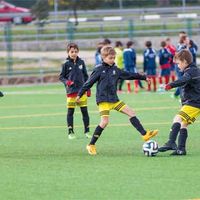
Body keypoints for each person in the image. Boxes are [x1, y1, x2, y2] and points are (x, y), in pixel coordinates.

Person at [76, 46, 158, 155]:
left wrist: (143, 77)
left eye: (113, 58)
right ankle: (91, 145)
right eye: (110, 58)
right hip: (103, 100)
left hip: (114, 100)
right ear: (103, 57)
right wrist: (79, 94)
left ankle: (144, 134)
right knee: (104, 122)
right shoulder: (99, 69)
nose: (112, 60)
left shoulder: (115, 69)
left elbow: (129, 75)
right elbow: (88, 83)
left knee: (131, 112)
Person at [158, 49, 200, 155]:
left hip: (194, 103)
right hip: (192, 102)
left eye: (178, 63)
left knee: (177, 118)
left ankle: (171, 142)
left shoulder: (190, 72)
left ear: (185, 61)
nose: (177, 66)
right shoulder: (193, 70)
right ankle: (181, 149)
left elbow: (182, 80)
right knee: (183, 124)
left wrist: (169, 85)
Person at [59, 43, 91, 139]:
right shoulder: (65, 64)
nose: (74, 53)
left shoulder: (81, 62)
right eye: (72, 52)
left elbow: (86, 76)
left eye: (76, 51)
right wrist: (67, 82)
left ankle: (87, 131)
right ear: (68, 52)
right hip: (71, 93)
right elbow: (61, 77)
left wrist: (88, 88)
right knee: (70, 112)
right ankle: (70, 132)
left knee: (85, 112)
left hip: (82, 92)